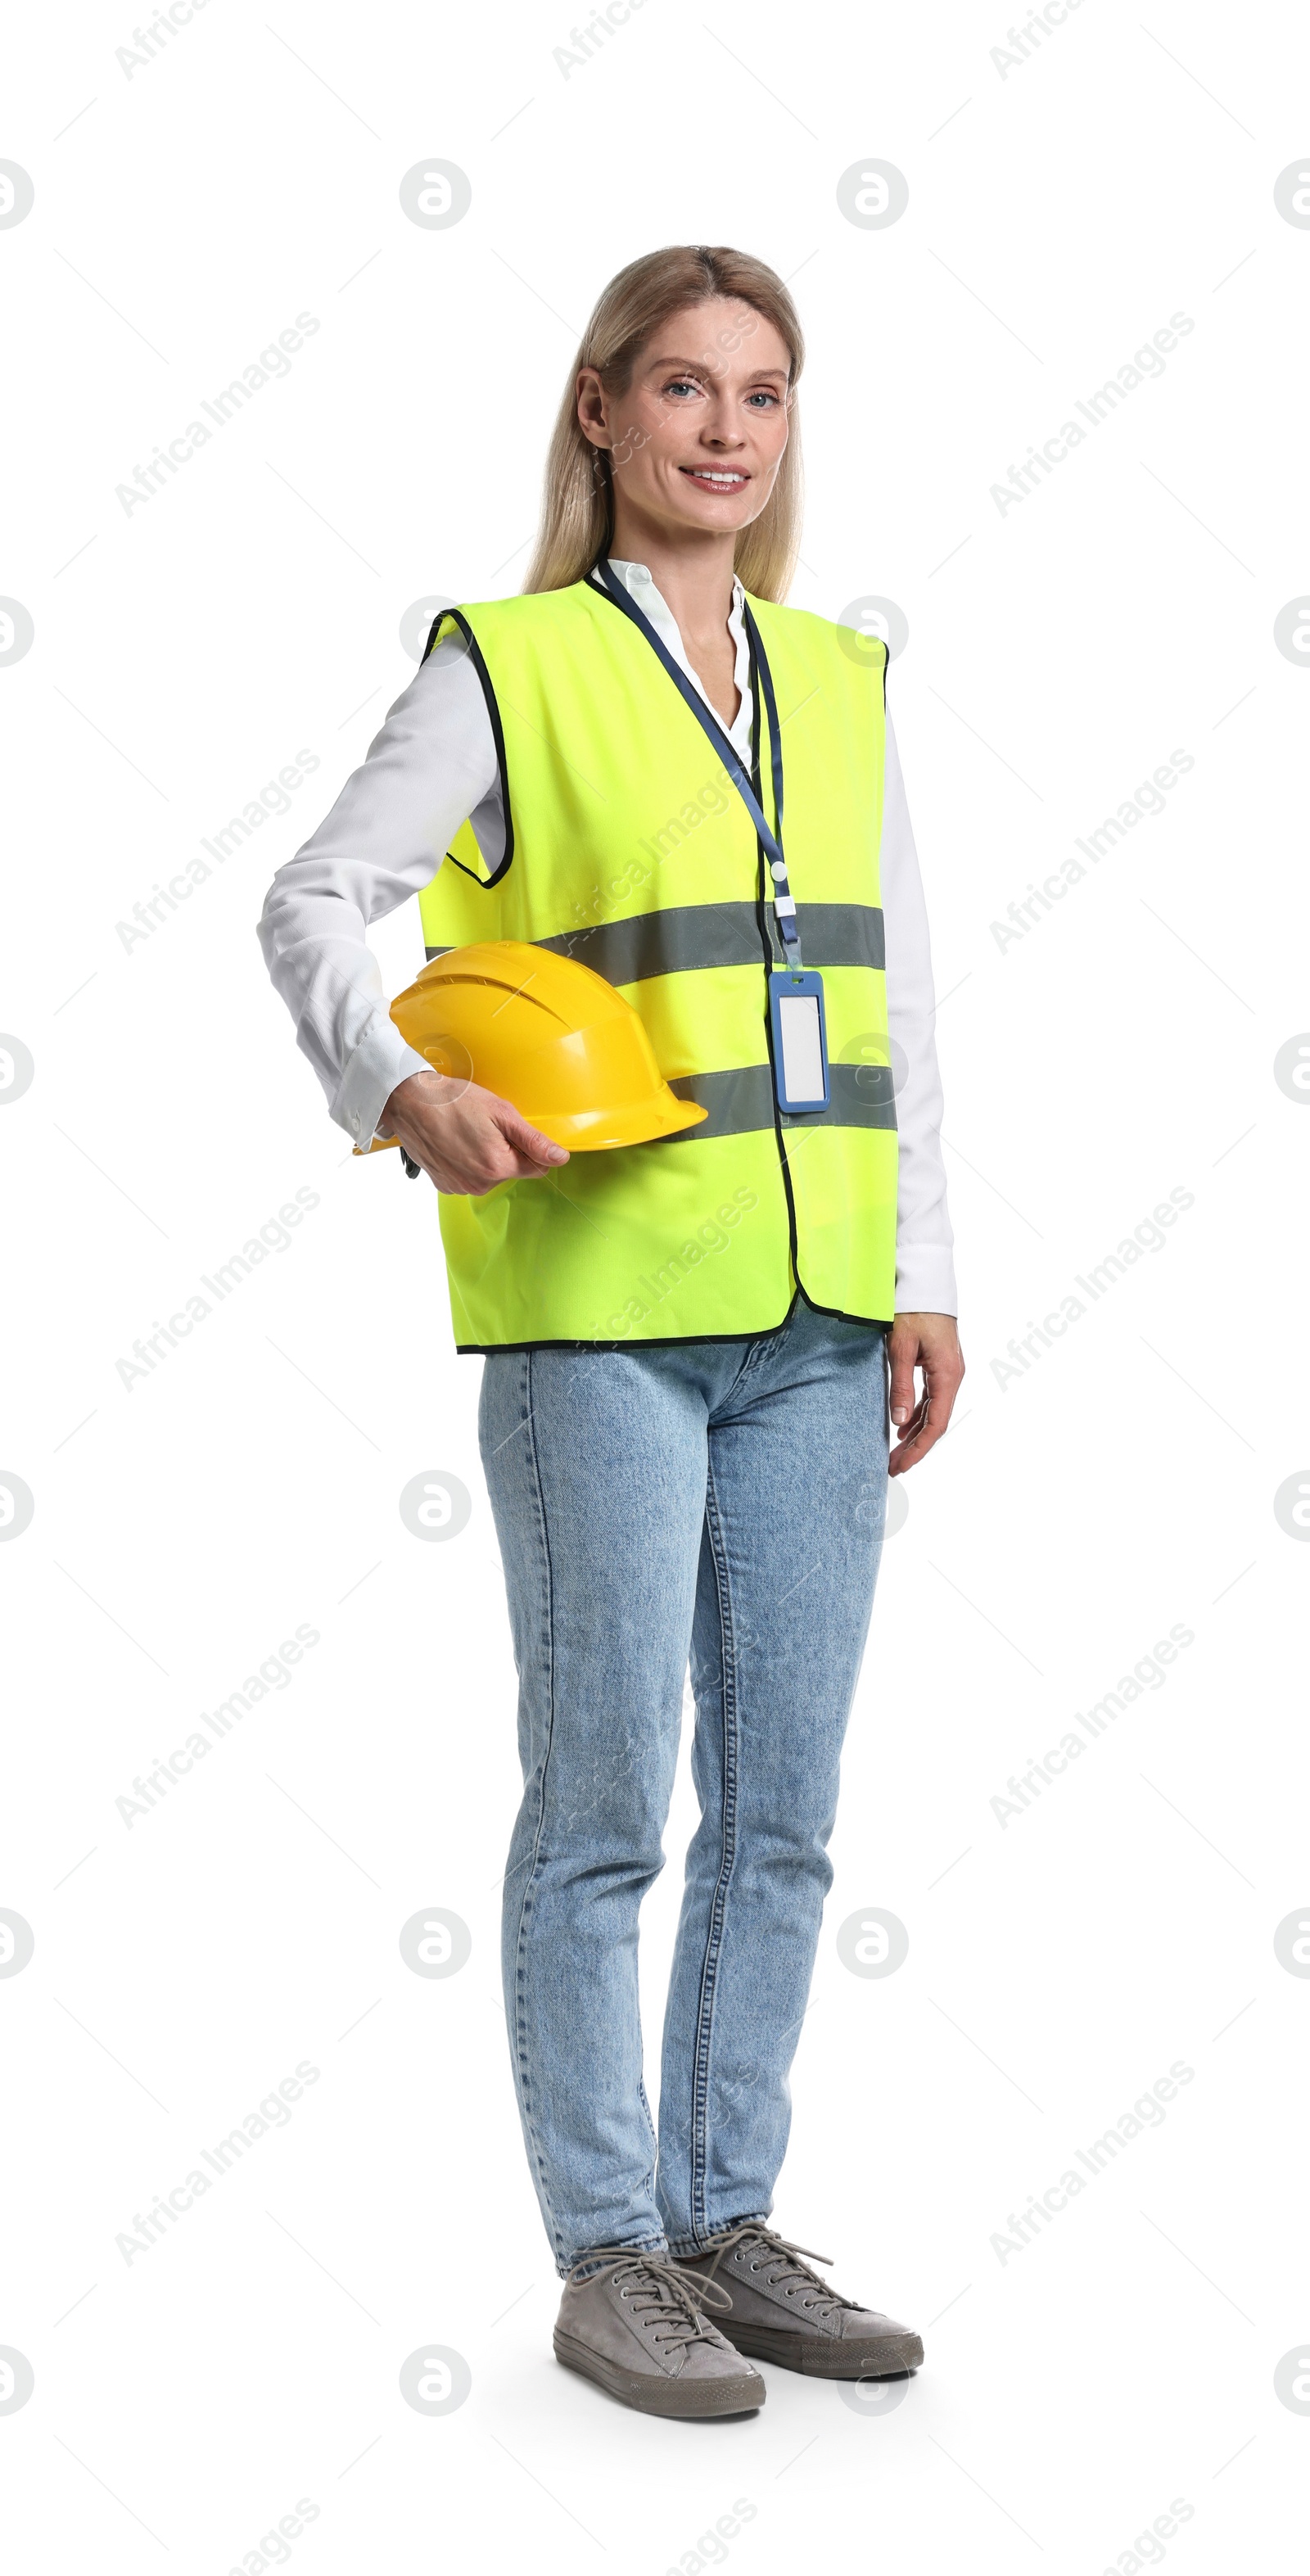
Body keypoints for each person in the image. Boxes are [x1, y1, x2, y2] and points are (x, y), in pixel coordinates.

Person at [258, 244, 963, 2420]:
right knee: (603, 1801)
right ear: (600, 412)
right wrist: (395, 1085)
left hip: (820, 1317)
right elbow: (313, 897)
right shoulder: (513, 664)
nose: (727, 431)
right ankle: (608, 2248)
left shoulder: (838, 678)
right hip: (598, 1324)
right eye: (683, 388)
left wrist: (923, 1265)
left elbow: (897, 992)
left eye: (761, 393)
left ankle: (728, 2219)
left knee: (788, 1804)